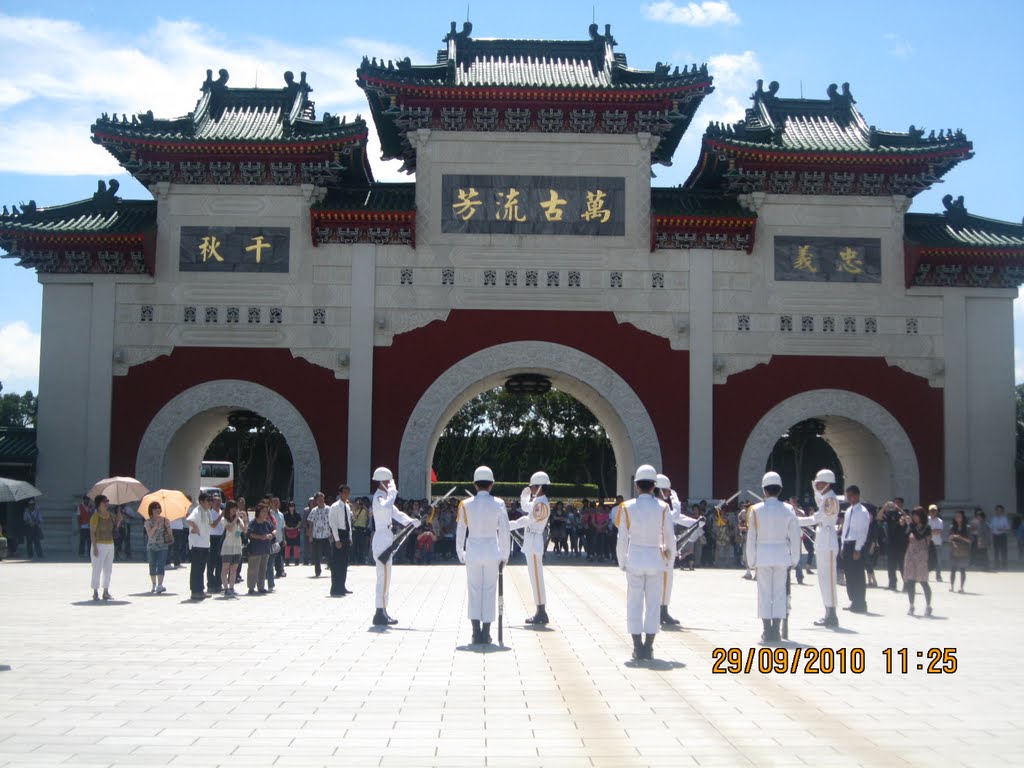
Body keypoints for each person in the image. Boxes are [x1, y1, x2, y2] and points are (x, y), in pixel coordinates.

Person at [616, 464, 675, 661]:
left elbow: (622, 538)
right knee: (652, 605)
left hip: (634, 558)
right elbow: (669, 538)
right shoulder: (664, 507)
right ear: (654, 486)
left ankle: (636, 646)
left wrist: (622, 561)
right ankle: (648, 647)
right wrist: (669, 561)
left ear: (637, 486)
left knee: (634, 604)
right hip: (655, 560)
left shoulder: (627, 507)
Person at [457, 466, 511, 644]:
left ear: (474, 485)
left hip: (472, 550)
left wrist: (460, 552)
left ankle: (475, 632)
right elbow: (504, 531)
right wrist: (505, 555)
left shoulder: (465, 504)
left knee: (474, 591)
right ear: (492, 485)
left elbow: (461, 530)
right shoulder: (499, 503)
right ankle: (486, 633)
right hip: (491, 551)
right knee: (489, 591)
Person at [745, 472, 801, 644]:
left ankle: (766, 630)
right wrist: (794, 560)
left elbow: (751, 538)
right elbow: (795, 537)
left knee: (764, 593)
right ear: (780, 489)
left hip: (762, 555)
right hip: (782, 555)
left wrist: (751, 560)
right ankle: (776, 630)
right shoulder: (789, 510)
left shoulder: (755, 510)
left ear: (764, 490)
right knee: (779, 594)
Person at [370, 467, 421, 625]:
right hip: (381, 538)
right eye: (388, 482)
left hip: (386, 536)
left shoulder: (385, 498)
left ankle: (383, 611)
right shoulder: (380, 498)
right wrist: (392, 494)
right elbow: (386, 507)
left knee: (386, 578)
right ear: (383, 482)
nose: (391, 485)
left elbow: (396, 513)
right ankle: (380, 612)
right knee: (383, 579)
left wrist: (411, 521)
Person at [509, 470, 552, 626]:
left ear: (539, 487)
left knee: (536, 578)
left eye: (533, 487)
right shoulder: (538, 501)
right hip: (531, 539)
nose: (531, 489)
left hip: (534, 540)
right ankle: (540, 611)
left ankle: (541, 612)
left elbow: (527, 519)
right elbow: (526, 507)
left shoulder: (542, 503)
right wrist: (524, 495)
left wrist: (508, 525)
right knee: (534, 578)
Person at [655, 474, 697, 627]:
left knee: (664, 581)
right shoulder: (662, 506)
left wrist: (697, 523)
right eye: (666, 491)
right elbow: (676, 515)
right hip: (663, 548)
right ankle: (662, 612)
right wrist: (676, 499)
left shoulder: (658, 506)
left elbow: (679, 519)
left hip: (661, 547)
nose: (668, 494)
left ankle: (661, 611)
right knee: (665, 580)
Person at [802, 469, 841, 628]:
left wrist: (794, 520)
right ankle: (828, 613)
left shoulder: (830, 500)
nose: (816, 485)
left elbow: (816, 518)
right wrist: (814, 487)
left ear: (827, 483)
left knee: (829, 579)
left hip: (828, 539)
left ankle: (832, 615)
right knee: (823, 578)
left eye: (819, 483)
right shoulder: (826, 498)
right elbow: (818, 500)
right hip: (823, 538)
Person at [840, 485, 871, 614]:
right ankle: (853, 600)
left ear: (857, 495)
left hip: (856, 544)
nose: (849, 498)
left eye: (851, 495)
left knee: (857, 574)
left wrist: (858, 549)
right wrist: (842, 546)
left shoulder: (863, 512)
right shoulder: (848, 511)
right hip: (847, 543)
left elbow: (862, 532)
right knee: (849, 574)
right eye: (847, 496)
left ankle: (861, 602)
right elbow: (845, 529)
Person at [185, 492, 221, 601]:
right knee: (196, 568)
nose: (210, 503)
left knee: (201, 568)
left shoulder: (207, 512)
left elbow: (213, 525)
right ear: (201, 502)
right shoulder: (197, 510)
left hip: (205, 544)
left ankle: (200, 590)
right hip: (197, 544)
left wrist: (222, 515)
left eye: (211, 501)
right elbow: (189, 520)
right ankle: (195, 591)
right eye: (208, 501)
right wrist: (195, 528)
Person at [903, 506, 933, 616]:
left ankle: (928, 605)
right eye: (913, 515)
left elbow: (919, 536)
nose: (914, 517)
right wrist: (905, 525)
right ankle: (911, 605)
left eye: (916, 515)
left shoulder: (927, 527)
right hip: (910, 554)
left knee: (923, 581)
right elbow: (905, 537)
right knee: (910, 581)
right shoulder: (912, 526)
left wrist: (911, 525)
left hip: (921, 556)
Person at [328, 485, 353, 597]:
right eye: (344, 492)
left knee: (344, 563)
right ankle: (335, 588)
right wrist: (337, 539)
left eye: (348, 492)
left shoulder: (347, 506)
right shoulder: (334, 506)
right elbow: (333, 524)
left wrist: (350, 537)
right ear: (340, 493)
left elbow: (349, 522)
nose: (346, 495)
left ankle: (342, 586)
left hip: (346, 534)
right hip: (338, 534)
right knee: (336, 563)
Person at [89, 495, 116, 601]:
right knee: (97, 568)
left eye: (107, 501)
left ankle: (106, 591)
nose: (107, 503)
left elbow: (116, 525)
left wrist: (119, 514)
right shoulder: (95, 516)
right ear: (99, 504)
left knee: (108, 569)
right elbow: (92, 532)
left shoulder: (111, 515)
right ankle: (95, 591)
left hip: (110, 544)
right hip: (99, 544)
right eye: (104, 501)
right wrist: (94, 547)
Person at [143, 501, 172, 594]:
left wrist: (168, 527)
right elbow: (150, 535)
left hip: (163, 546)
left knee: (161, 565)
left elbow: (170, 534)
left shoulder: (165, 520)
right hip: (151, 546)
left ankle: (160, 585)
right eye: (155, 508)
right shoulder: (148, 522)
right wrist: (155, 526)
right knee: (152, 565)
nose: (157, 510)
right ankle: (154, 584)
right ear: (151, 510)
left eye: (159, 508)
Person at [246, 504, 274, 595]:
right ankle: (251, 587)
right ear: (258, 512)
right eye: (263, 511)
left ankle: (261, 586)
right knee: (253, 569)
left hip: (265, 549)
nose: (265, 513)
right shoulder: (254, 522)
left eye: (266, 511)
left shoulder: (267, 522)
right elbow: (250, 534)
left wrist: (272, 534)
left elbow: (274, 530)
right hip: (255, 549)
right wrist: (260, 537)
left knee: (263, 569)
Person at [220, 501, 246, 597]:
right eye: (233, 508)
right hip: (227, 547)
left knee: (234, 569)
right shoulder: (225, 519)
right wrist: (236, 518)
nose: (235, 510)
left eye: (236, 508)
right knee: (225, 569)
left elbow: (245, 530)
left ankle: (232, 587)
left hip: (237, 547)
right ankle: (226, 588)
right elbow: (230, 528)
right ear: (228, 509)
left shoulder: (239, 519)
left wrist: (245, 519)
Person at [883, 497, 908, 590]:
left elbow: (907, 518)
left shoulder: (904, 513)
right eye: (895, 503)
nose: (896, 505)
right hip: (891, 543)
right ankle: (892, 583)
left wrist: (899, 509)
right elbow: (879, 516)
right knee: (891, 565)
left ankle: (906, 584)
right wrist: (885, 507)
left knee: (902, 565)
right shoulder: (890, 514)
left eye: (898, 503)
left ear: (902, 504)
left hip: (901, 544)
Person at [307, 493, 331, 577]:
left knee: (329, 553)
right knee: (316, 555)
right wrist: (310, 536)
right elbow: (311, 524)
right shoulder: (314, 510)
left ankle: (332, 568)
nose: (320, 501)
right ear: (316, 501)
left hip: (326, 535)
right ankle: (317, 571)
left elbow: (332, 522)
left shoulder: (329, 509)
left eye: (322, 499)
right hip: (316, 536)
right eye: (319, 500)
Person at [206, 495, 225, 593]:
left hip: (221, 538)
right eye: (216, 502)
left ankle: (218, 583)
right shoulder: (209, 513)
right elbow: (213, 525)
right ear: (212, 503)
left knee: (220, 563)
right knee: (211, 563)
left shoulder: (222, 512)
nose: (218, 504)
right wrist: (220, 516)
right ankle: (210, 584)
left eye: (220, 502)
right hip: (212, 538)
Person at [948, 510, 970, 592]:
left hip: (964, 550)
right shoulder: (952, 527)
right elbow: (949, 539)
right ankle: (952, 586)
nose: (957, 517)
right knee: (953, 569)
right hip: (954, 550)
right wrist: (952, 539)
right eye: (956, 516)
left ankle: (961, 587)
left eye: (959, 516)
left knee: (962, 570)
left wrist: (960, 537)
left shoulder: (967, 527)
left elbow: (969, 540)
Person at [927, 504, 944, 581]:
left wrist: (929, 531)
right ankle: (926, 575)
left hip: (937, 543)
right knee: (926, 559)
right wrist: (932, 531)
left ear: (936, 512)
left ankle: (938, 575)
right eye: (931, 511)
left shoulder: (940, 521)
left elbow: (938, 531)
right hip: (927, 543)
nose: (932, 512)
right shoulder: (926, 520)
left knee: (938, 560)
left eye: (934, 511)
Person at [990, 504, 1010, 571]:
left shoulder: (1004, 518)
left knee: (1003, 551)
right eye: (997, 510)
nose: (999, 511)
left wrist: (1001, 529)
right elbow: (991, 527)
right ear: (995, 511)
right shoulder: (993, 519)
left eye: (1000, 510)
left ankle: (1004, 565)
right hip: (995, 536)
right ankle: (996, 565)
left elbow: (1007, 528)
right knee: (996, 551)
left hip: (1002, 536)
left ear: (1002, 511)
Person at [352, 497, 371, 565]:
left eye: (360, 503)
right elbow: (353, 517)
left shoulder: (364, 510)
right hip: (355, 529)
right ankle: (353, 559)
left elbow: (369, 514)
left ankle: (361, 560)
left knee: (361, 546)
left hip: (362, 529)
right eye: (357, 503)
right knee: (354, 546)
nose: (358, 504)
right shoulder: (354, 510)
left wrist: (363, 506)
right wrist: (354, 508)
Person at [283, 501, 302, 566]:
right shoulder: (285, 515)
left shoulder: (297, 514)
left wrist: (295, 528)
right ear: (288, 507)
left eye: (293, 506)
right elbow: (284, 523)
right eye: (290, 506)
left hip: (296, 531)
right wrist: (288, 528)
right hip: (288, 531)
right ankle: (287, 561)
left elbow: (299, 523)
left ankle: (296, 561)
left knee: (296, 547)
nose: (291, 508)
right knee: (287, 547)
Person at [76, 495, 93, 559]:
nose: (87, 501)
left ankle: (89, 552)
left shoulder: (91, 506)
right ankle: (81, 552)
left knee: (89, 541)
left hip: (89, 526)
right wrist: (79, 525)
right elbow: (78, 516)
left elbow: (93, 515)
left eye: (88, 499)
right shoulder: (80, 506)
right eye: (86, 499)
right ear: (84, 500)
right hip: (83, 526)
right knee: (82, 540)